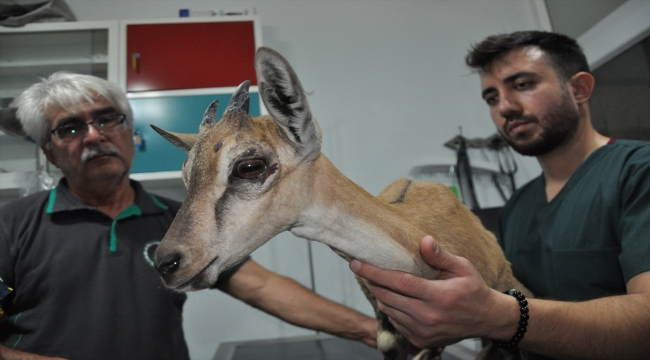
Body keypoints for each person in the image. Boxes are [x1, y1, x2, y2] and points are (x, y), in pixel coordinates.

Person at [0, 72, 376, 360]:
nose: (94, 135)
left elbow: (263, 288)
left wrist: (369, 330)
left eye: (107, 119)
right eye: (70, 128)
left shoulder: (177, 220)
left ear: (130, 132)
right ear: (50, 153)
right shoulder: (10, 225)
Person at [350, 31, 650, 359]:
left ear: (578, 89)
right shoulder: (517, 208)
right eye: (492, 97)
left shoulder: (637, 172)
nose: (504, 107)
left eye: (523, 84)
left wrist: (500, 316)